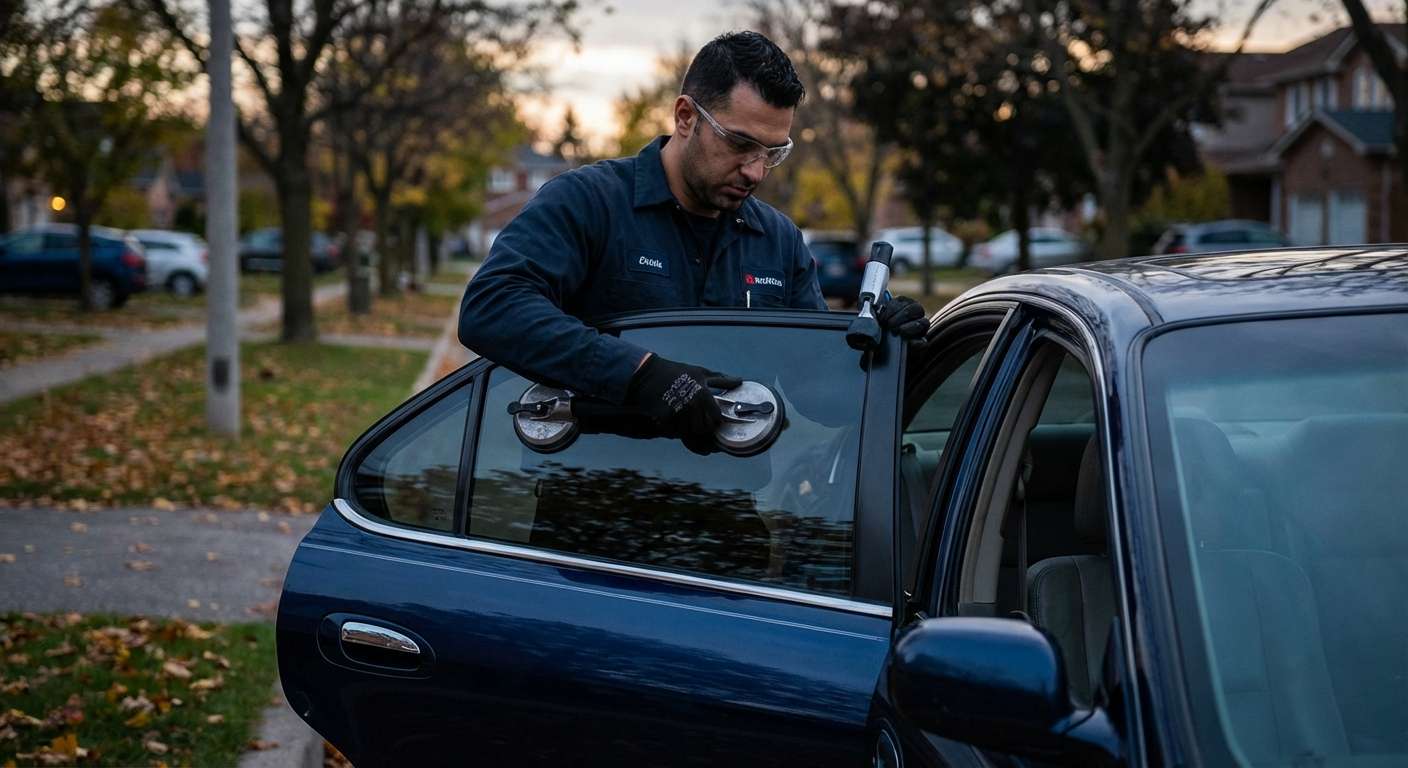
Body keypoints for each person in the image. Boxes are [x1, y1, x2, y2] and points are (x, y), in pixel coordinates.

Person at [459, 30, 925, 447]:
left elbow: (819, 396)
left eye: (773, 152)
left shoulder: (778, 240)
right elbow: (492, 308)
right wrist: (638, 375)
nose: (755, 171)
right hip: (590, 510)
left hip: (730, 515)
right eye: (741, 144)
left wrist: (886, 356)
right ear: (686, 116)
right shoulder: (589, 203)